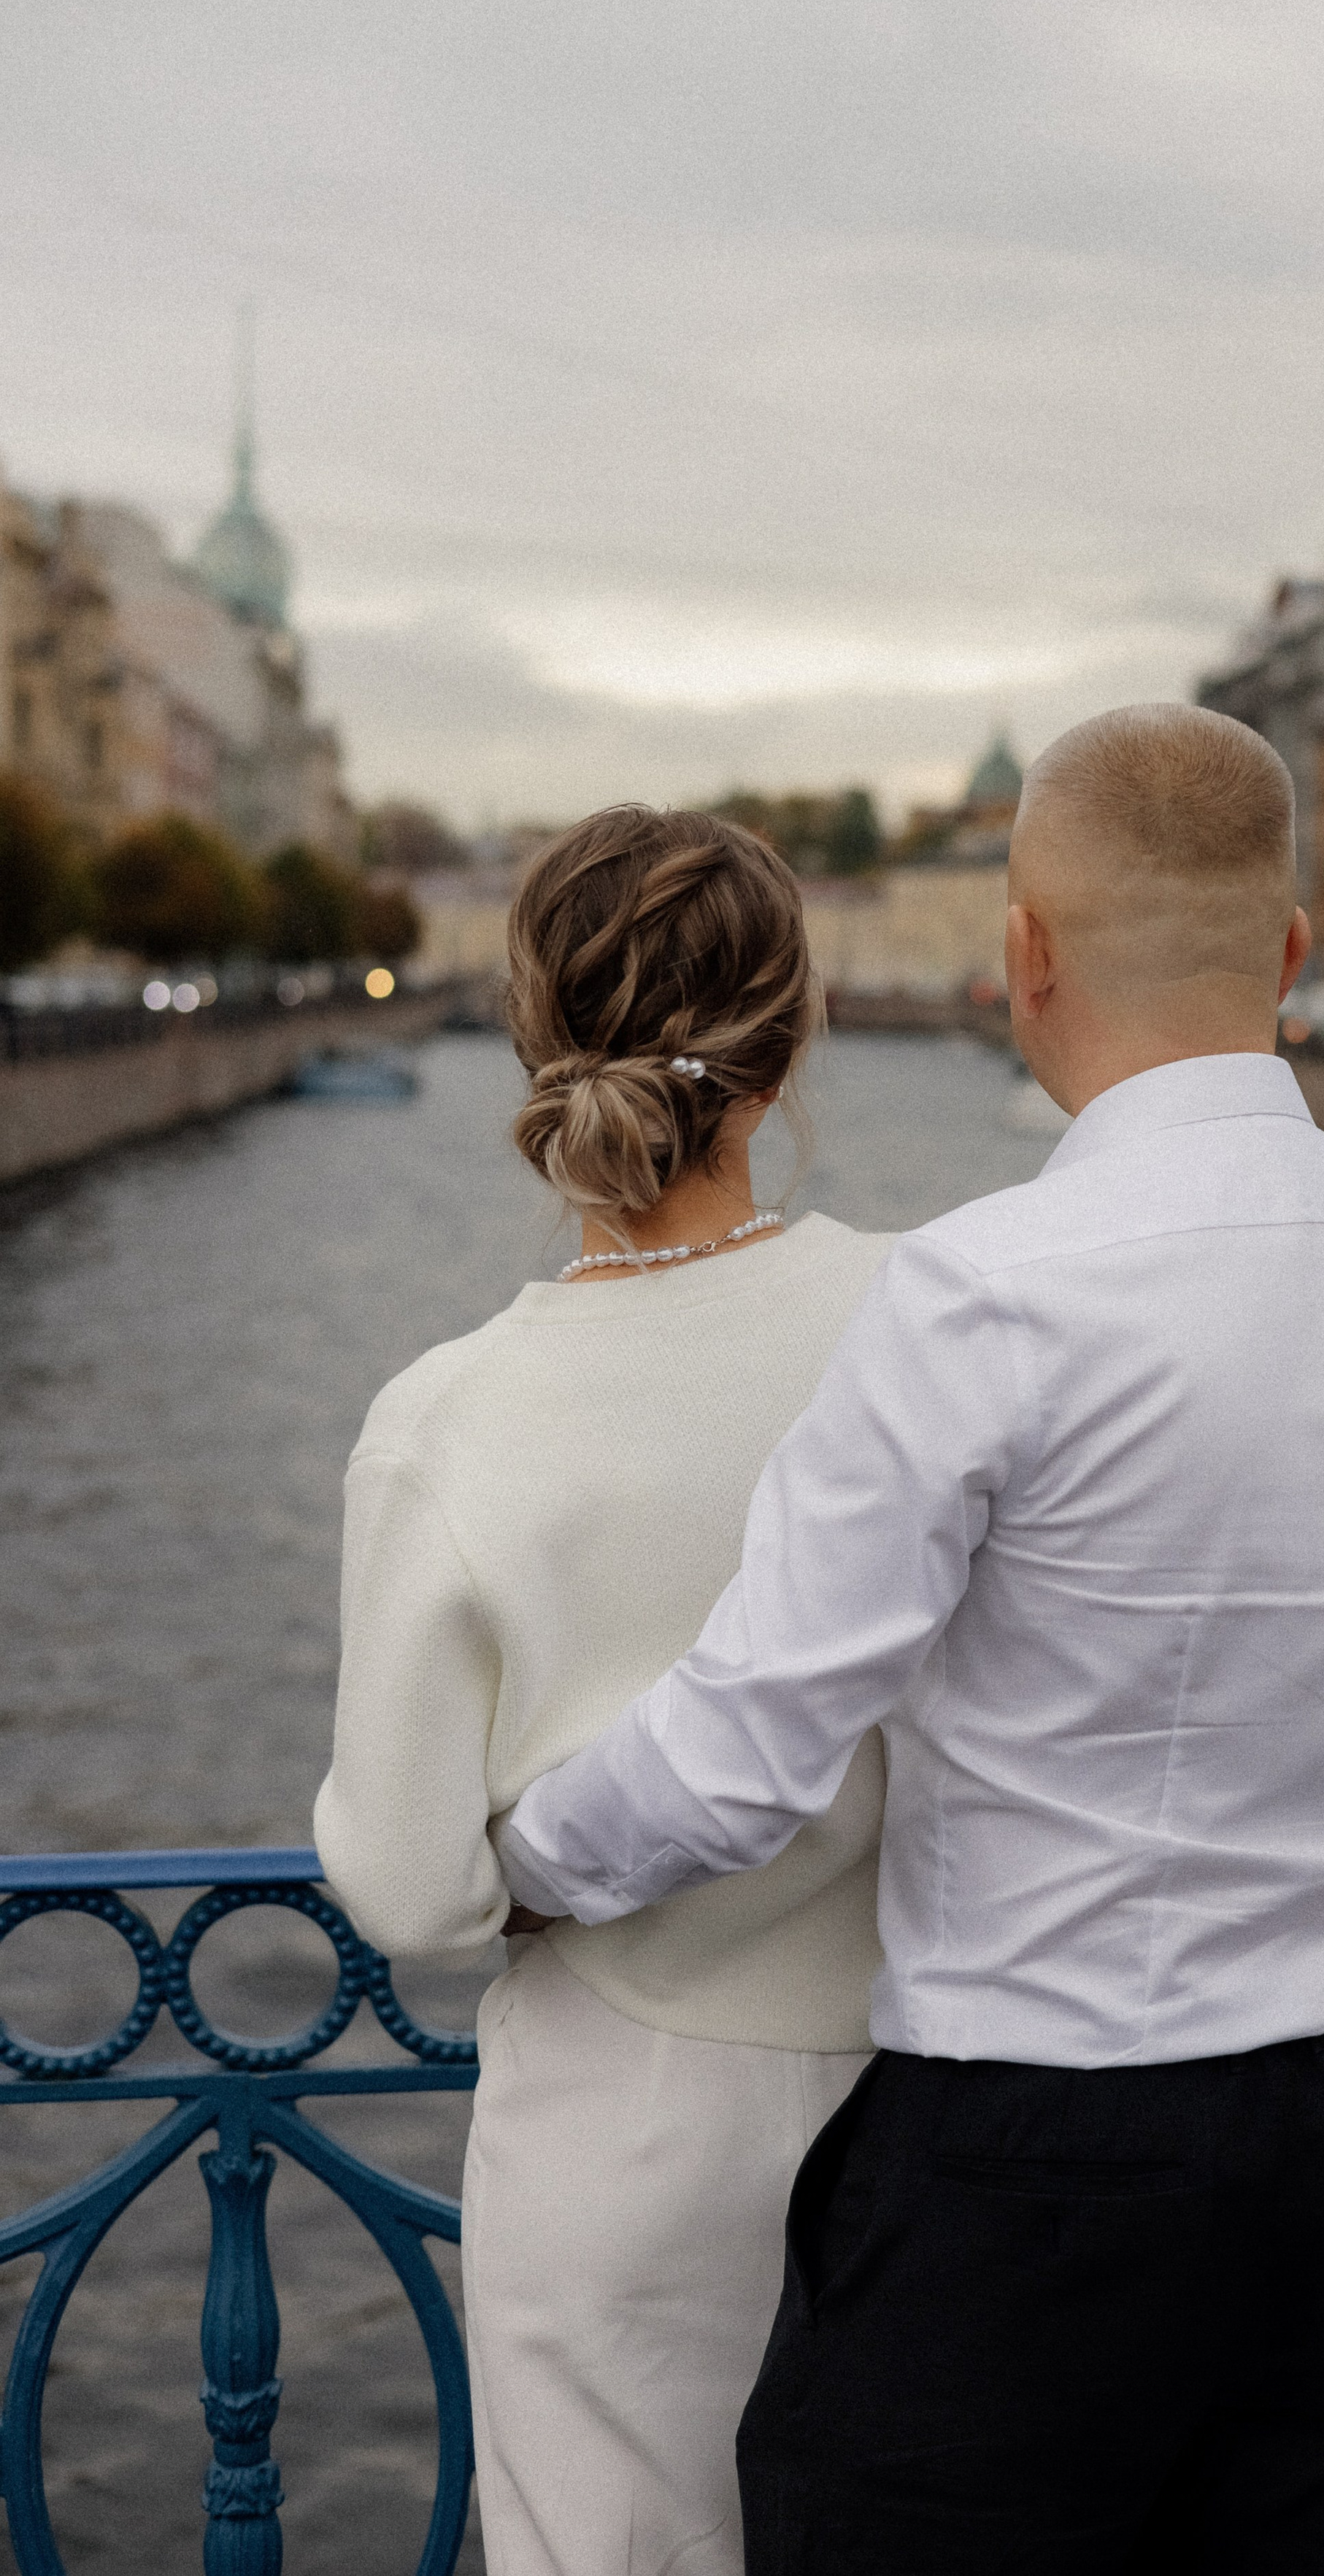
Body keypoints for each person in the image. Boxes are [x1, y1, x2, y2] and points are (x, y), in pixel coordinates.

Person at [498, 706, 1324, 2576]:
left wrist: (507, 1862)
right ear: (1294, 954)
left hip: (1027, 2159)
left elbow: (752, 1751)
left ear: (1025, 953)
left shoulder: (982, 1293)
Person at [314, 806, 893, 2576]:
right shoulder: (926, 1315)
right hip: (939, 2082)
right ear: (791, 1038)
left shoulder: (453, 1416)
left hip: (622, 2126)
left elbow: (412, 1888)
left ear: (527, 1031)